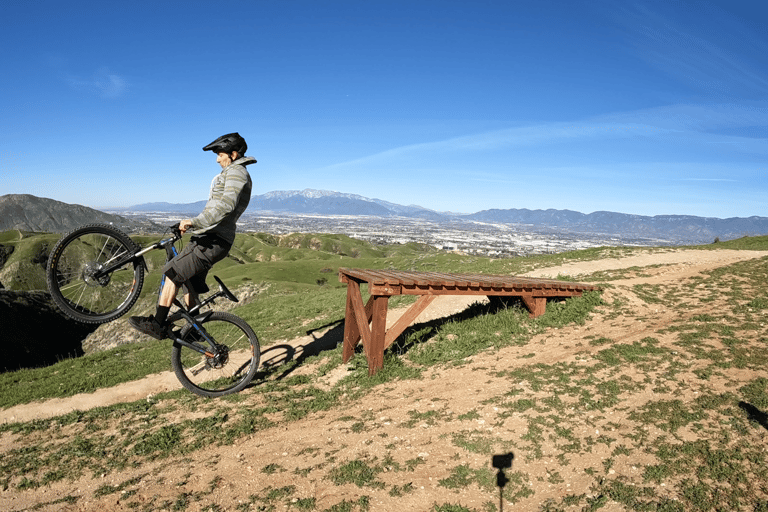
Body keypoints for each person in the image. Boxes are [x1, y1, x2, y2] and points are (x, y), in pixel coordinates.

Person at [129, 132, 256, 339]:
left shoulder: (237, 173)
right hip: (208, 238)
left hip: (212, 241)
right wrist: (193, 226)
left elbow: (225, 207)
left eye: (220, 154)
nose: (217, 159)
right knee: (189, 283)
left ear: (233, 154)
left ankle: (158, 325)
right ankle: (196, 331)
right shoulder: (232, 173)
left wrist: (193, 222)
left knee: (172, 274)